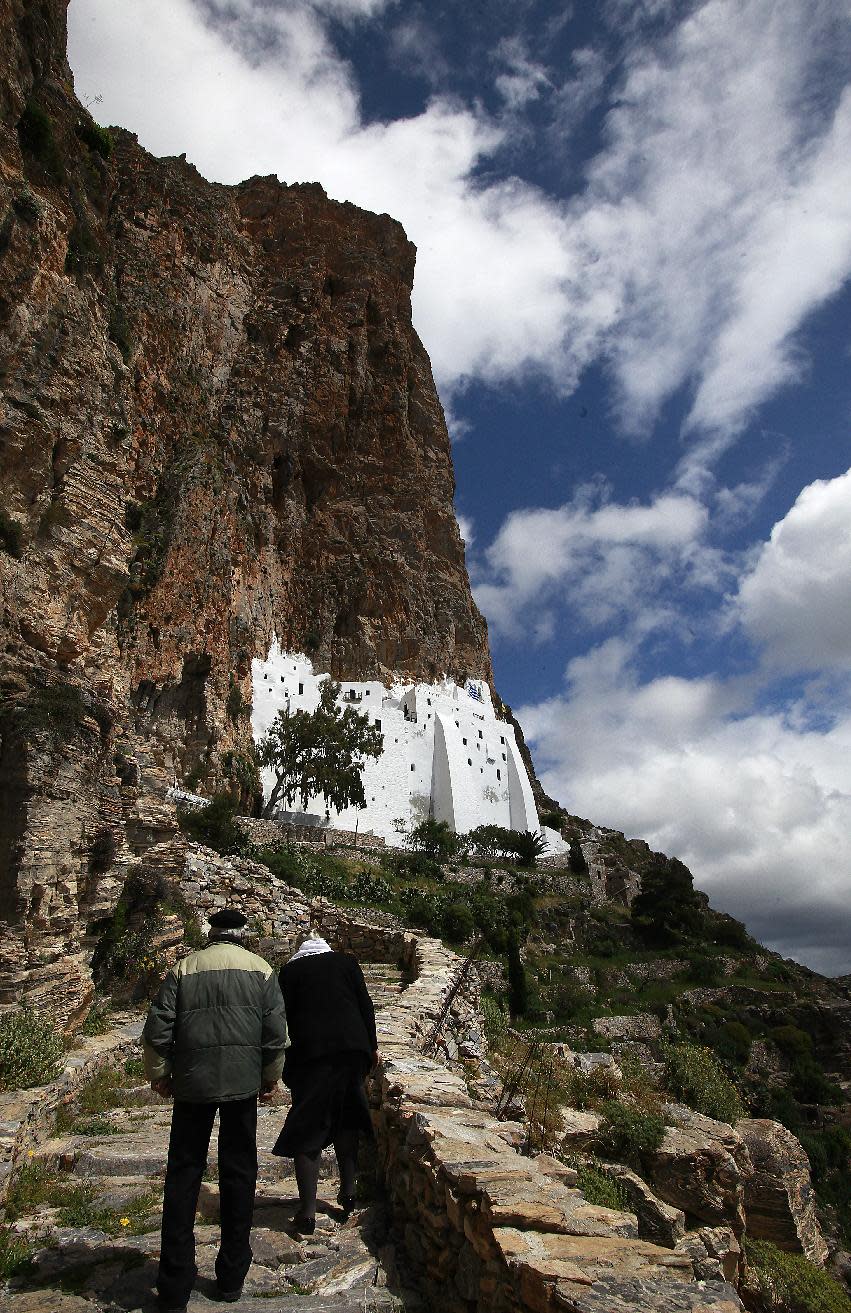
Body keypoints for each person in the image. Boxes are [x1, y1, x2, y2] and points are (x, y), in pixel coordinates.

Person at [143, 908, 289, 1312]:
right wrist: (270, 1077)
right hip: (242, 1087)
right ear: (244, 934)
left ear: (211, 933)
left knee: (184, 1177)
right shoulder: (261, 970)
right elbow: (275, 1033)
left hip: (192, 1086)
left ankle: (173, 1285)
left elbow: (158, 1028)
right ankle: (231, 1276)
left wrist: (160, 1075)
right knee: (239, 1174)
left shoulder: (184, 969)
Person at [272, 931, 378, 1233]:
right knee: (346, 1121)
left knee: (308, 1128)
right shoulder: (346, 963)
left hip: (310, 1056)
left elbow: (282, 1018)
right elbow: (365, 1005)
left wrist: (280, 1063)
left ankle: (307, 1209)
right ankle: (349, 1191)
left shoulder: (290, 972)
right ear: (325, 947)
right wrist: (372, 1047)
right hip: (351, 1050)